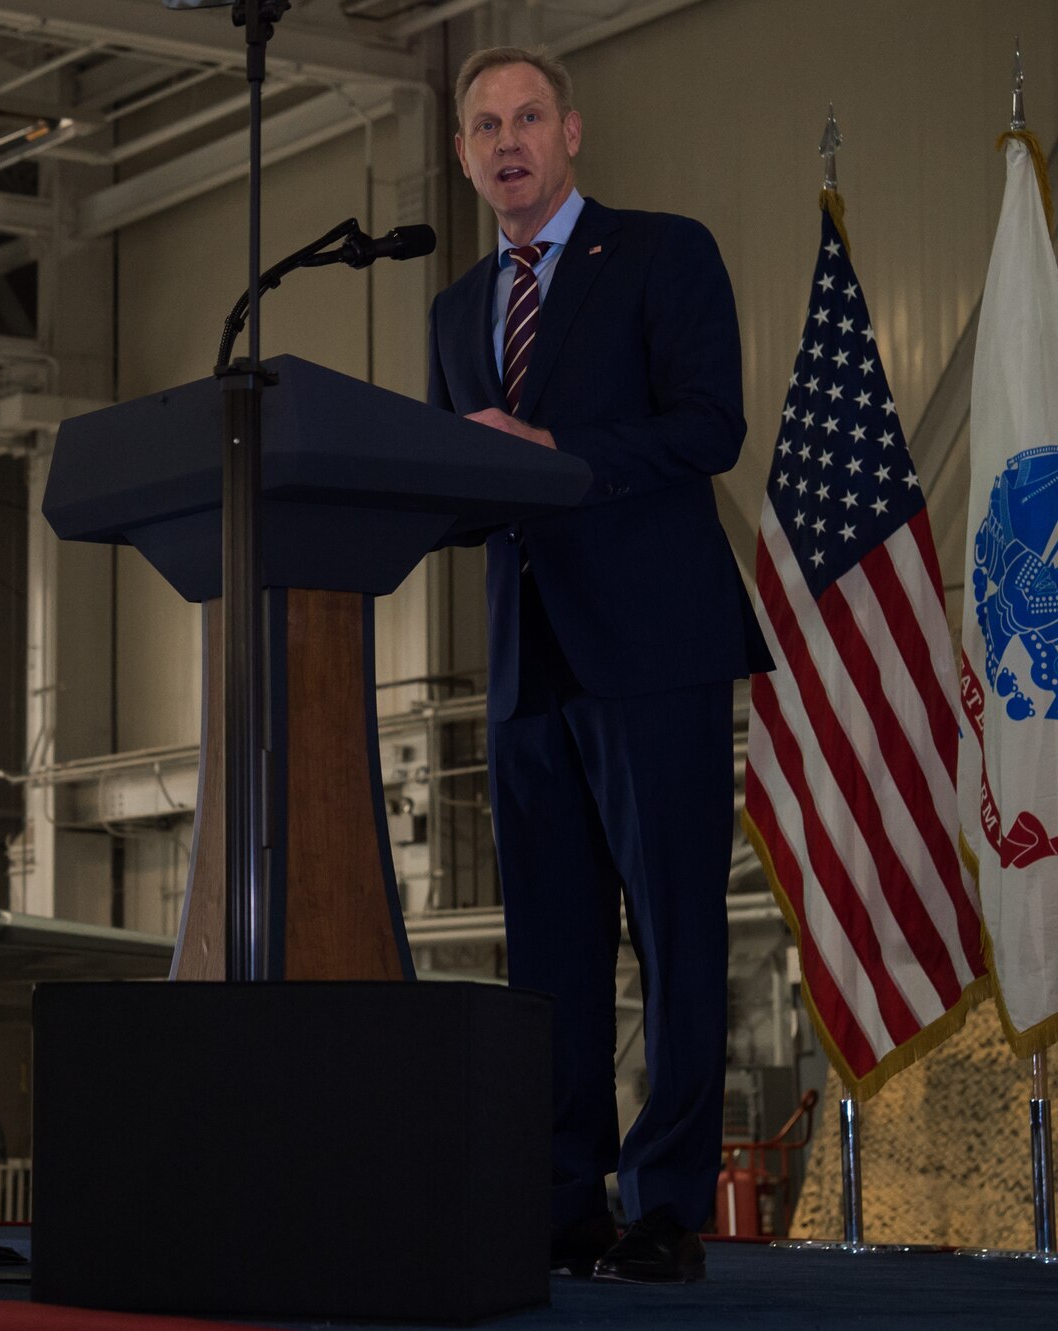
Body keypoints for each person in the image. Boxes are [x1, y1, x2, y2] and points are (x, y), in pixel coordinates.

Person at [425, 46, 772, 1284]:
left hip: (653, 645)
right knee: (549, 951)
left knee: (674, 931)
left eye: (526, 117)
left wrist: (551, 448)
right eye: (482, 125)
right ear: (464, 156)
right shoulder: (455, 306)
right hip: (524, 667)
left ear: (569, 134)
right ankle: (564, 1200)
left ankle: (667, 1204)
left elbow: (709, 423)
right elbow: (464, 484)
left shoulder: (662, 251)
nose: (505, 139)